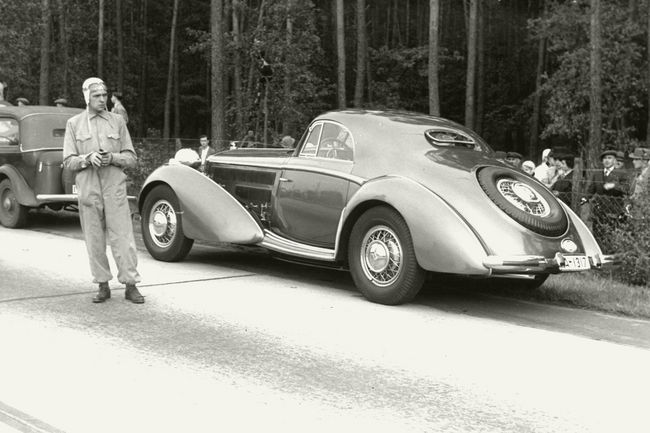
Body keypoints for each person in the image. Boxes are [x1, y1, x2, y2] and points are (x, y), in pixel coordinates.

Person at [62, 77, 143, 304]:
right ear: (87, 97)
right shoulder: (74, 124)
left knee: (123, 237)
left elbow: (132, 158)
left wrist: (112, 157)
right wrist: (88, 159)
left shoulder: (117, 122)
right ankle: (102, 284)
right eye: (96, 95)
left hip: (114, 188)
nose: (101, 99)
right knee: (94, 238)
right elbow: (68, 161)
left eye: (104, 95)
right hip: (89, 190)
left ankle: (130, 284)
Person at [583, 148, 630, 251]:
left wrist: (614, 185)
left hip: (614, 210)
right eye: (604, 158)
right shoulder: (597, 173)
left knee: (611, 234)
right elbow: (591, 190)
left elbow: (627, 189)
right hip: (598, 210)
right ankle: (598, 253)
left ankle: (610, 253)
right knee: (597, 234)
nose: (607, 160)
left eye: (610, 158)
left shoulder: (621, 173)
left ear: (614, 160)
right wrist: (584, 198)